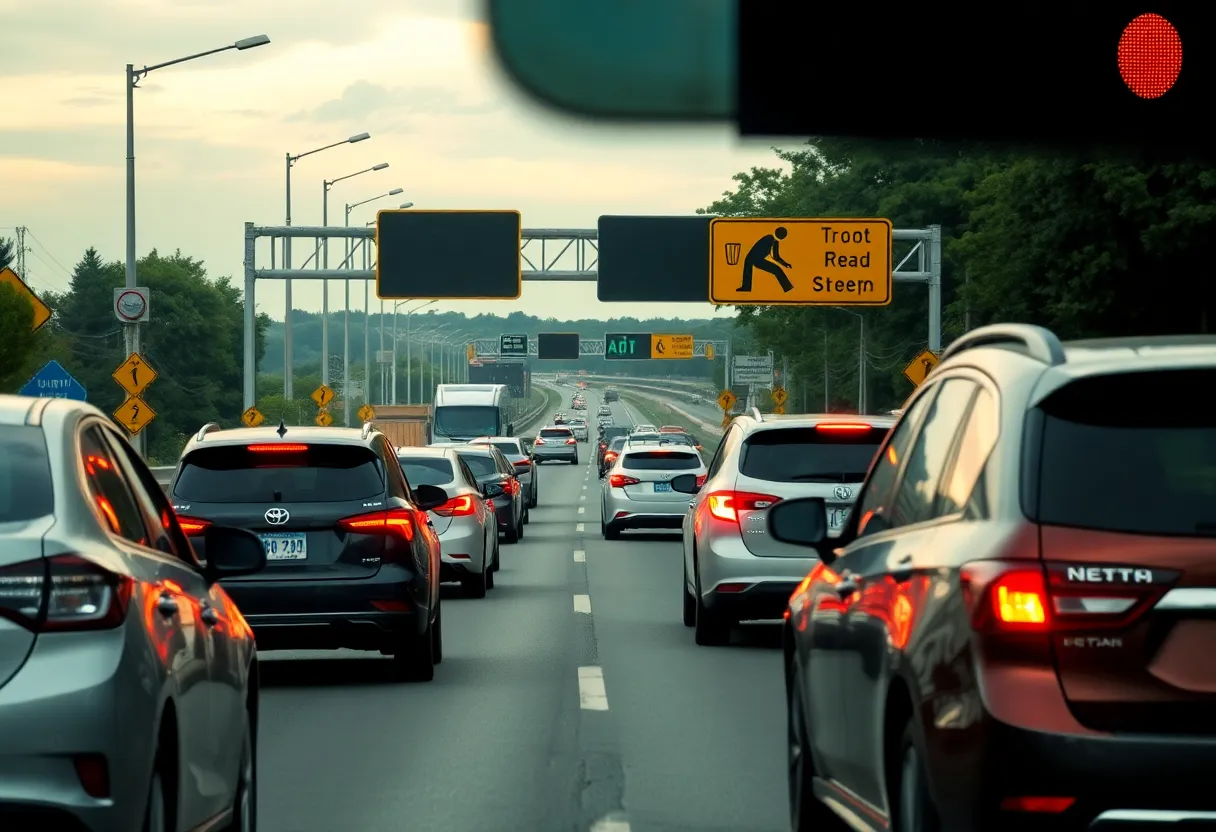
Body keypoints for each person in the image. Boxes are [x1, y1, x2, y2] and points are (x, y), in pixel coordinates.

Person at [738, 226, 794, 293]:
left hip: (759, 259)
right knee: (749, 268)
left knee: (777, 269)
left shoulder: (775, 241)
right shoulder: (768, 239)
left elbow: (776, 257)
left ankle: (788, 287)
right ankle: (746, 287)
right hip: (752, 258)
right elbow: (772, 255)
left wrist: (785, 264)